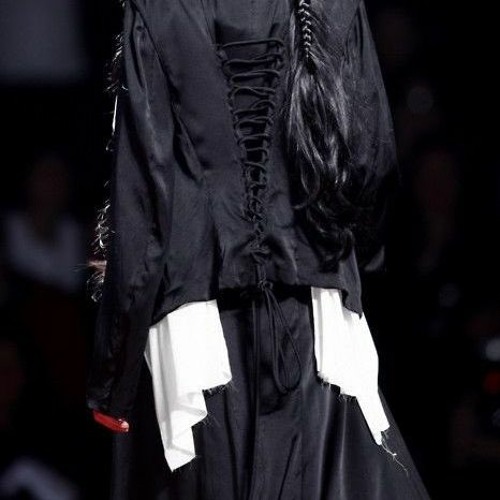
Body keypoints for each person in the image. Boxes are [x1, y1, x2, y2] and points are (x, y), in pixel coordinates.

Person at [86, 0, 432, 498]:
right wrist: (343, 267)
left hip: (198, 327)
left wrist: (113, 376)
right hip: (317, 316)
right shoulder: (334, 5)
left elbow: (143, 197)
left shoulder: (160, 9)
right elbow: (371, 162)